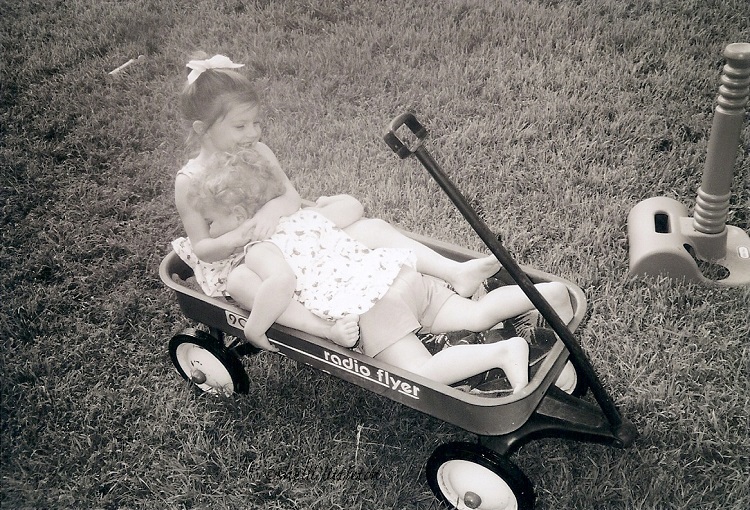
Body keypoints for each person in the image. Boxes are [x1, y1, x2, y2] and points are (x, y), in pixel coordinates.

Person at [174, 53, 505, 345]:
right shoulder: (189, 181)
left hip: (289, 230)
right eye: (240, 126)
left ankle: (454, 272)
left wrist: (273, 210)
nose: (253, 133)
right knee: (246, 283)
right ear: (203, 129)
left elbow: (289, 196)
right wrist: (238, 237)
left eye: (255, 123)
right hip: (247, 256)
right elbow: (202, 247)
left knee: (370, 226)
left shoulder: (258, 150)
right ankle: (320, 328)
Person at [185, 148, 576, 393]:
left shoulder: (259, 249)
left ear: (240, 215)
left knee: (421, 371)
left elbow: (281, 283)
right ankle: (547, 295)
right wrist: (330, 199)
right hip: (398, 274)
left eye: (212, 221)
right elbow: (352, 209)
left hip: (372, 306)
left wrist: (255, 328)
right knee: (476, 314)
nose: (211, 230)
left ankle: (503, 352)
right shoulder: (305, 216)